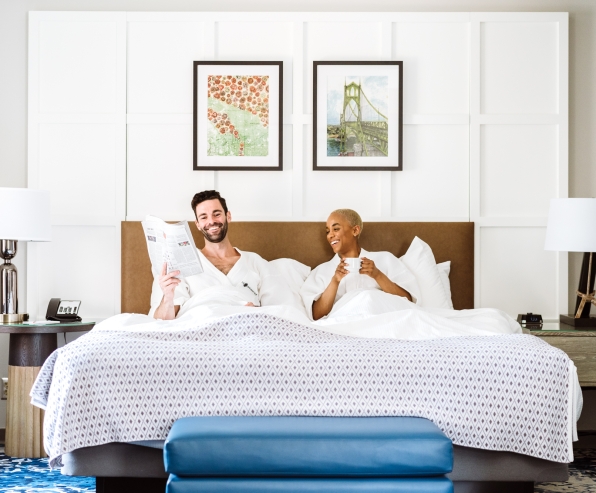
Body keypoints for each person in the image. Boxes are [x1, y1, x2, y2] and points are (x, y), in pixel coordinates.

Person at [151, 190, 278, 320]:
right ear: (198, 224)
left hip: (248, 329)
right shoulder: (182, 264)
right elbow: (163, 322)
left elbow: (279, 312)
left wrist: (255, 313)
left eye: (216, 214)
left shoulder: (255, 262)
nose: (211, 221)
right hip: (201, 332)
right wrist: (167, 296)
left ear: (228, 216)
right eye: (204, 217)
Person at [300, 209, 420, 321]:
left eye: (336, 229)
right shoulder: (322, 270)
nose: (330, 235)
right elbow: (316, 315)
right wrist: (335, 281)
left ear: (355, 230)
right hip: (345, 328)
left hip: (382, 324)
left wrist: (378, 275)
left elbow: (408, 301)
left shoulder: (385, 259)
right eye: (327, 231)